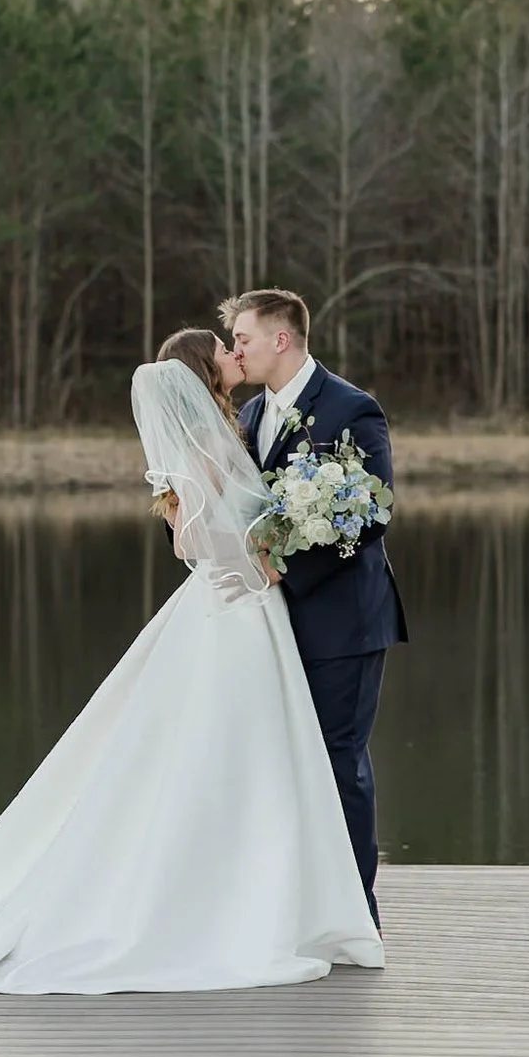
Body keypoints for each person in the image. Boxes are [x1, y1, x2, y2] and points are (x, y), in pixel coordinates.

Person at [0, 326, 384, 993]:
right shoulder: (207, 436)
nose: (236, 354)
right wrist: (259, 548)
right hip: (235, 606)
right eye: (226, 349)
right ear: (205, 369)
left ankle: (274, 903)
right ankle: (229, 911)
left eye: (240, 343)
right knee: (223, 758)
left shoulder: (237, 422)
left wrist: (270, 537)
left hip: (248, 611)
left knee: (254, 760)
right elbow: (190, 534)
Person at [223, 289, 406, 922]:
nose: (234, 350)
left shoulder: (353, 408)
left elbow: (371, 513)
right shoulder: (248, 416)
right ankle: (293, 907)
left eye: (242, 338)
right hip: (269, 626)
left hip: (344, 622)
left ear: (281, 339)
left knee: (338, 763)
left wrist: (284, 570)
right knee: (279, 765)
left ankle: (356, 914)